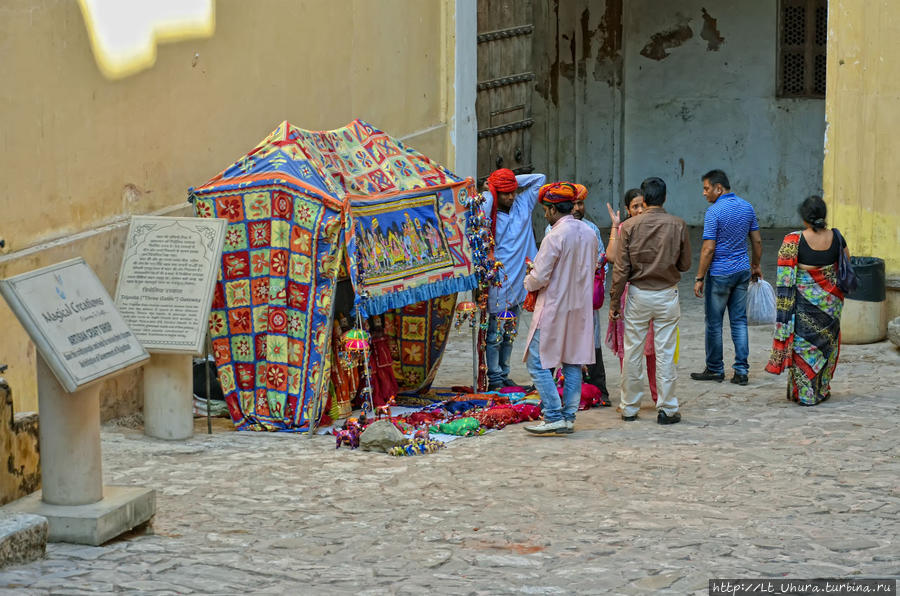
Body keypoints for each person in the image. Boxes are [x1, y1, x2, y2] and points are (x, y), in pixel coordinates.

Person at [609, 177, 690, 425]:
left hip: (638, 294)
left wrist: (614, 303)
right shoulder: (678, 225)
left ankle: (630, 407)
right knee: (665, 352)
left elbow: (621, 269)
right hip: (667, 293)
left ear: (644, 199)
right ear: (665, 198)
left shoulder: (630, 226)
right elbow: (685, 264)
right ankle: (667, 407)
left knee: (632, 351)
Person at [522, 182, 598, 434]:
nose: (545, 214)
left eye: (546, 209)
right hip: (580, 308)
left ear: (554, 210)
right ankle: (568, 417)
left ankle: (553, 414)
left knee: (536, 362)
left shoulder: (554, 235)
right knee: (573, 361)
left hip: (554, 307)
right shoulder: (589, 233)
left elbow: (540, 276)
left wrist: (528, 278)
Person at [766, 196, 848, 406]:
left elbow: (785, 278)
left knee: (803, 348)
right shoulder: (837, 238)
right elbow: (847, 263)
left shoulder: (794, 241)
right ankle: (821, 389)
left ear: (804, 218)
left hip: (803, 309)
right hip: (831, 308)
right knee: (827, 346)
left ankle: (804, 393)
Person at [691, 169, 763, 386]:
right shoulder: (747, 207)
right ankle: (741, 371)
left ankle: (715, 368)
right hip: (741, 271)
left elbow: (708, 249)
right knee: (739, 321)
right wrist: (756, 265)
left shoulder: (714, 212)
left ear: (718, 188)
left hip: (720, 274)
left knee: (714, 323)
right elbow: (757, 241)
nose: (704, 193)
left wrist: (699, 277)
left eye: (706, 188)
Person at [543, 183, 610, 406]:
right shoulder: (552, 230)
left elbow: (601, 264)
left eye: (581, 203)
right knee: (559, 342)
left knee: (589, 340)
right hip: (564, 295)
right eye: (575, 204)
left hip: (580, 294)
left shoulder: (591, 230)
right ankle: (555, 393)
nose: (578, 208)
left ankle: (599, 389)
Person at [482, 168, 547, 391]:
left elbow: (540, 179)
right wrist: (493, 187)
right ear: (495, 194)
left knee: (509, 333)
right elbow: (486, 198)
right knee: (495, 335)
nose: (510, 196)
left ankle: (504, 372)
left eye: (513, 192)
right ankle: (495, 377)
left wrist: (509, 182)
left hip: (519, 284)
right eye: (505, 193)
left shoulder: (522, 204)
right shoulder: (487, 208)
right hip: (499, 285)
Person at [604, 188, 659, 403]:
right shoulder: (624, 228)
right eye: (634, 206)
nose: (639, 209)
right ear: (627, 209)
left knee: (653, 349)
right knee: (627, 350)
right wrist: (615, 225)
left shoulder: (655, 226)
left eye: (642, 205)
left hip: (650, 292)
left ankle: (657, 395)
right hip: (628, 296)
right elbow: (611, 256)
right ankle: (629, 398)